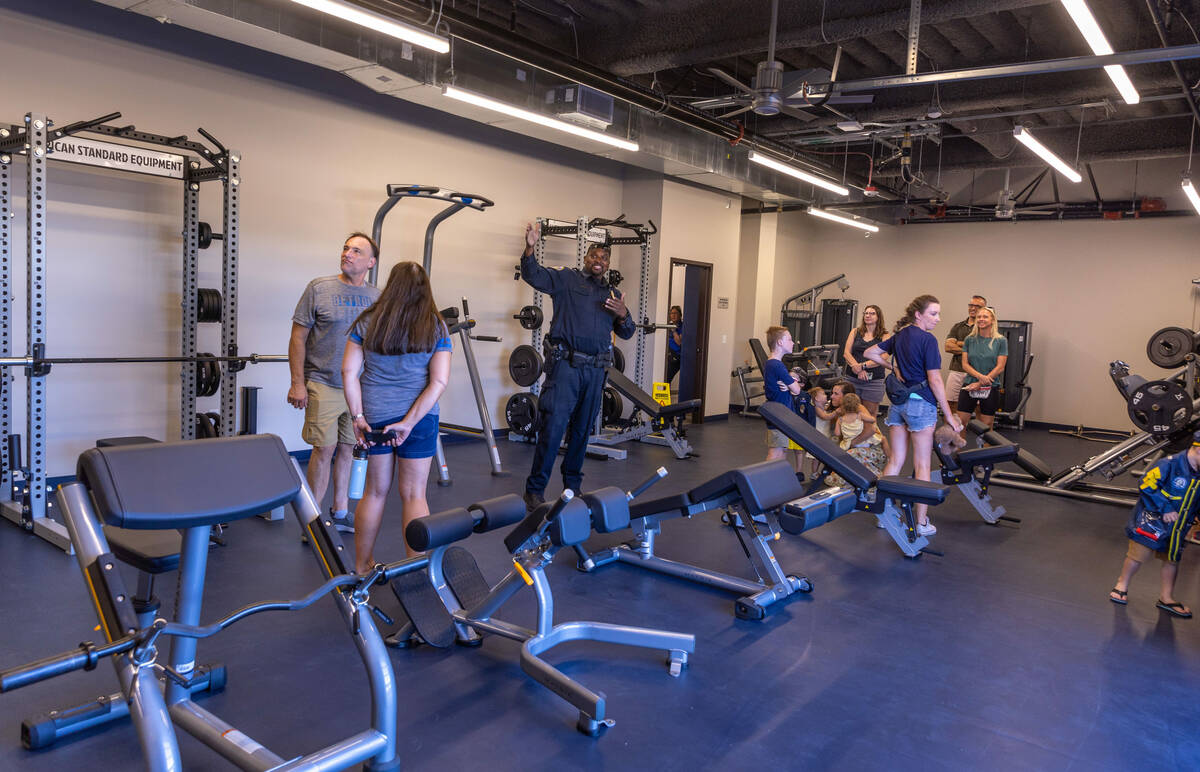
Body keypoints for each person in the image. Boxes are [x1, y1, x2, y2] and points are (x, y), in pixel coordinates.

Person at [342, 262, 451, 569]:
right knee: (415, 494)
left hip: (375, 416)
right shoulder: (436, 325)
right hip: (420, 420)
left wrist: (357, 416)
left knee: (375, 493)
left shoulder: (368, 322)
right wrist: (408, 422)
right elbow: (439, 381)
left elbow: (349, 372)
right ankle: (415, 571)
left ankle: (362, 566)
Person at [520, 223, 636, 510]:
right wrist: (530, 248)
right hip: (566, 368)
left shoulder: (613, 294)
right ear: (586, 258)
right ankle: (534, 491)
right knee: (553, 428)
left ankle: (573, 487)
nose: (599, 261)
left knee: (582, 432)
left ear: (609, 264)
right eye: (594, 256)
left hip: (596, 372)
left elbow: (628, 331)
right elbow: (533, 274)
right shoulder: (567, 281)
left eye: (604, 259)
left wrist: (623, 315)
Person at [288, 233, 381, 532]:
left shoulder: (377, 299)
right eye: (345, 248)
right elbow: (298, 337)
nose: (348, 254)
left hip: (358, 388)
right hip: (322, 382)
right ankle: (313, 522)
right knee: (323, 449)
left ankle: (340, 512)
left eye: (356, 250)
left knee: (347, 448)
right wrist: (297, 382)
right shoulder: (319, 288)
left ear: (371, 262)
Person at [864, 295, 963, 536]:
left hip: (898, 405)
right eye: (933, 314)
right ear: (918, 314)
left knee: (895, 461)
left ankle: (882, 515)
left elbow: (870, 353)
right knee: (922, 466)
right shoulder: (927, 340)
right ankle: (920, 523)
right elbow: (935, 380)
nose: (938, 319)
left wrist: (893, 367)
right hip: (921, 405)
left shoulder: (899, 336)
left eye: (939, 314)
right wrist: (949, 415)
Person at [1108, 434, 1200, 617]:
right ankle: (1122, 584)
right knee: (1137, 555)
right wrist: (1165, 508)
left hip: (1179, 525)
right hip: (1152, 521)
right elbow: (1146, 484)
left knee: (1172, 559)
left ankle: (1166, 597)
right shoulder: (1170, 464)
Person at [955, 306, 1008, 432]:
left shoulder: (1001, 340)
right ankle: (958, 451)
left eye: (985, 316)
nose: (981, 319)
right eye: (979, 317)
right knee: (960, 423)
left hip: (990, 386)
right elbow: (965, 364)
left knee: (987, 424)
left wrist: (980, 383)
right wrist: (980, 377)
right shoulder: (969, 339)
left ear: (992, 320)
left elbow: (1000, 366)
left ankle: (985, 451)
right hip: (969, 385)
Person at [763, 325, 806, 474]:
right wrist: (791, 385)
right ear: (780, 342)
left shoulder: (774, 364)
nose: (793, 342)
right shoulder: (776, 365)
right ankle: (763, 484)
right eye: (789, 339)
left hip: (781, 414)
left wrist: (790, 385)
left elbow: (794, 388)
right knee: (775, 453)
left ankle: (775, 484)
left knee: (781, 452)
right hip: (778, 415)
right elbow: (797, 389)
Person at [842, 304, 890, 417]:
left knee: (869, 414)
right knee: (850, 412)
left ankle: (868, 435)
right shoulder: (855, 332)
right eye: (866, 313)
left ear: (878, 317)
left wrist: (863, 366)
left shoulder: (884, 335)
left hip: (873, 382)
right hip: (852, 378)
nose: (868, 315)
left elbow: (883, 357)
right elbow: (846, 353)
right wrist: (858, 369)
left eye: (872, 313)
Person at [943, 294, 987, 408]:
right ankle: (956, 426)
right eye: (971, 305)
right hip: (957, 370)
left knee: (978, 407)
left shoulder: (986, 327)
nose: (973, 308)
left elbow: (982, 349)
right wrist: (970, 348)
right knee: (950, 403)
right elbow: (948, 347)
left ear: (984, 309)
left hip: (977, 372)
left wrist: (959, 342)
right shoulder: (958, 326)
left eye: (977, 306)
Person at [665, 305, 683, 386]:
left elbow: (679, 342)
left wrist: (674, 330)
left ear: (680, 315)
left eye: (676, 313)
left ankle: (664, 398)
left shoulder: (683, 326)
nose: (673, 315)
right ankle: (665, 397)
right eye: (671, 313)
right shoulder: (668, 325)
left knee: (666, 379)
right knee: (664, 378)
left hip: (676, 357)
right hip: (667, 355)